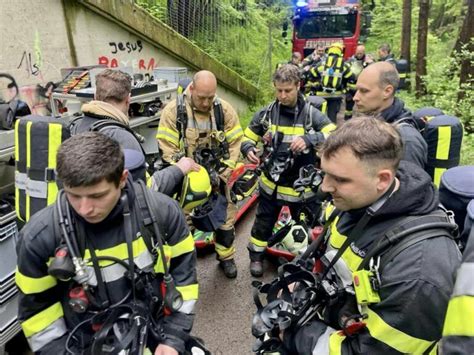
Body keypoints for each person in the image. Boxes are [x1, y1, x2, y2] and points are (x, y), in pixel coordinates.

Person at [282, 117, 460, 354]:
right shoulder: (357, 200)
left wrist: (294, 335)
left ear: (383, 179)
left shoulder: (420, 271)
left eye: (340, 179)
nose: (325, 186)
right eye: (324, 173)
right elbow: (330, 253)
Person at [15, 132, 198, 355]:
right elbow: (38, 315)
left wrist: (172, 340)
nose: (84, 209)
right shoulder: (39, 236)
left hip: (154, 336)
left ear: (122, 179)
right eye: (74, 195)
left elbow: (184, 280)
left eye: (97, 196)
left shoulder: (162, 212)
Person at [241, 64, 335, 277]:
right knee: (263, 224)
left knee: (305, 226)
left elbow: (335, 134)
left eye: (288, 91)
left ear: (298, 86)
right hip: (270, 187)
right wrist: (248, 148)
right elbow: (247, 137)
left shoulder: (311, 114)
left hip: (301, 189)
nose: (282, 95)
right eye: (278, 90)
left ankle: (305, 261)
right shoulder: (267, 114)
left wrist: (310, 139)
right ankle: (256, 256)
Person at [156, 70, 243, 278]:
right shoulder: (174, 111)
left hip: (217, 177)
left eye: (210, 98)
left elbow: (235, 142)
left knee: (225, 221)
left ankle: (226, 258)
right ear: (191, 89)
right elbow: (166, 148)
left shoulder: (224, 110)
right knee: (182, 226)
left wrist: (224, 171)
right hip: (188, 183)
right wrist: (183, 168)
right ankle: (184, 267)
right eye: (201, 97)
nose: (206, 103)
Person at [353, 61, 427, 168]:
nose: (356, 97)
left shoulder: (405, 140)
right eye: (357, 90)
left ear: (387, 91)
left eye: (364, 91)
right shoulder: (368, 118)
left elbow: (409, 183)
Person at [304, 42, 357, 123]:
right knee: (332, 119)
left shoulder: (322, 64)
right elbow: (352, 79)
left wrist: (314, 87)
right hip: (335, 96)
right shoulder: (344, 66)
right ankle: (331, 133)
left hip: (320, 96)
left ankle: (320, 133)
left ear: (329, 51)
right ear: (340, 52)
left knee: (319, 118)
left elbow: (311, 75)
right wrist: (347, 91)